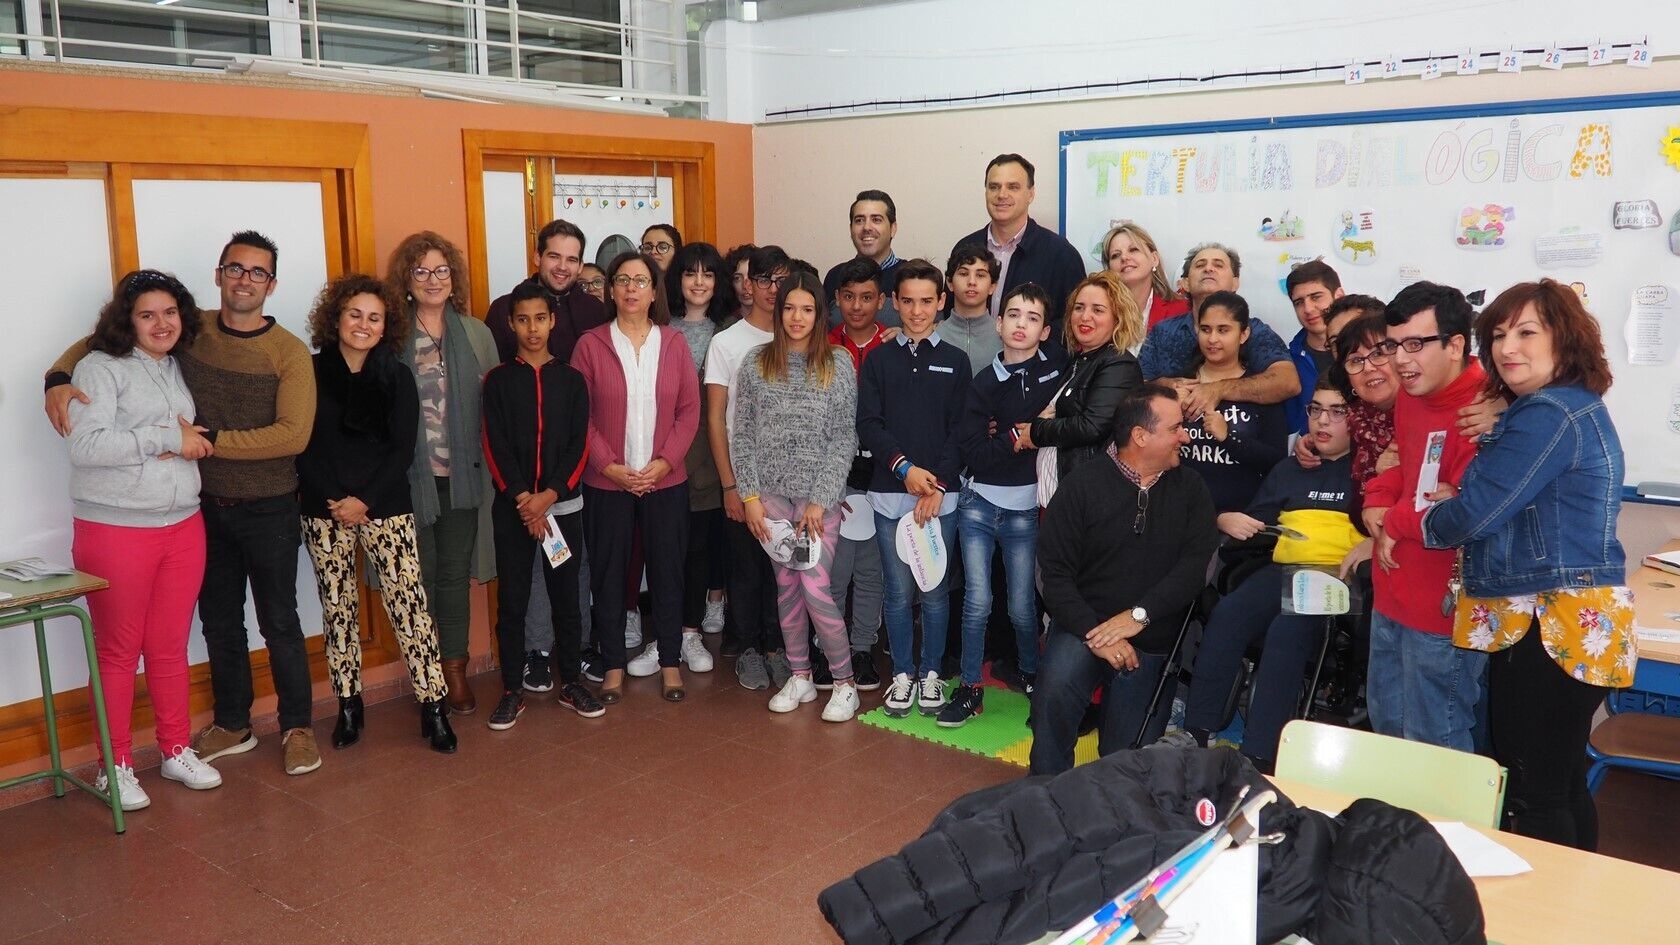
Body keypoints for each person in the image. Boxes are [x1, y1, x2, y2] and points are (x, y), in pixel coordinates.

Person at [47, 231, 322, 776]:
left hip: (266, 507)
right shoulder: (187, 335)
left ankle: (297, 727)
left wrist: (208, 440)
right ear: (219, 276)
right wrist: (56, 377)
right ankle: (232, 723)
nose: (245, 279)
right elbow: (97, 344)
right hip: (204, 511)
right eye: (235, 269)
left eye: (257, 272)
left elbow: (293, 435)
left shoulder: (287, 350)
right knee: (219, 622)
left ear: (272, 283)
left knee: (281, 621)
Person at [1421, 279, 1630, 850]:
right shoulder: (1566, 408)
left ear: (1564, 337)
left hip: (1549, 620)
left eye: (1526, 332)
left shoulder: (1548, 415)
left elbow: (1475, 514)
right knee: (1559, 784)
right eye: (1496, 335)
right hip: (1568, 614)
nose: (1506, 347)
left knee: (1534, 795)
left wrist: (1427, 521)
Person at [65, 270, 221, 809]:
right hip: (116, 530)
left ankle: (175, 749)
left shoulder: (175, 366)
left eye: (170, 313)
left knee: (169, 646)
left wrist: (175, 445)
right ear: (125, 320)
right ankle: (117, 765)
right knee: (116, 651)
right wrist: (166, 439)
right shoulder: (98, 368)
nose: (161, 323)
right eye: (147, 314)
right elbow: (86, 446)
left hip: (182, 525)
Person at [1157, 380, 1366, 769]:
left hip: (1335, 579)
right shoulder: (1291, 468)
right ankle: (1197, 731)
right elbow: (1259, 519)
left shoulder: (1367, 467)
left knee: (1287, 632)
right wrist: (1230, 519)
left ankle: (1257, 754)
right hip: (1283, 570)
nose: (1322, 421)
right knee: (1228, 613)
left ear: (1357, 419)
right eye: (1315, 410)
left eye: (1337, 412)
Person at [296, 273, 456, 753]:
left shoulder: (396, 375)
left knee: (411, 608)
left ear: (386, 327)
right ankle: (349, 706)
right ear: (336, 317)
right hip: (323, 509)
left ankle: (434, 706)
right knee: (338, 610)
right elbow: (300, 445)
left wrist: (362, 501)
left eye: (374, 318)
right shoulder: (308, 371)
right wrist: (335, 502)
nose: (363, 325)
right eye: (354, 314)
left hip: (384, 505)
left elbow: (402, 449)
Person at [1031, 385, 1217, 775]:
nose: (1186, 435)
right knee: (1052, 697)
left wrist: (1139, 616)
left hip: (1151, 635)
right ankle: (1042, 794)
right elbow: (1054, 573)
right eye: (1177, 428)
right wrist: (1096, 633)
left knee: (1124, 759)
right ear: (1140, 436)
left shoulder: (1191, 489)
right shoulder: (1082, 486)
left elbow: (1195, 570)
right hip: (1085, 628)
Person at [1360, 281, 1488, 752]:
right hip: (1392, 590)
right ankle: (1397, 829)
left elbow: (1460, 511)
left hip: (1443, 606)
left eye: (1416, 344)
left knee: (1435, 742)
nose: (1399, 360)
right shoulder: (1413, 396)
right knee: (1388, 728)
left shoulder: (1487, 408)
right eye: (1393, 345)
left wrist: (1394, 521)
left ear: (1455, 345)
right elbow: (1407, 471)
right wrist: (1377, 496)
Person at [730, 271, 862, 721]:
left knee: (817, 588)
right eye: (789, 308)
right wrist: (749, 496)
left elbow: (844, 437)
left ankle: (844, 683)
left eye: (807, 309)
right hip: (771, 502)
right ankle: (801, 675)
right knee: (786, 589)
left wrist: (820, 500)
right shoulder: (755, 362)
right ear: (777, 310)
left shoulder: (838, 362)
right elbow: (742, 434)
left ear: (820, 313)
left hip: (817, 505)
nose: (797, 317)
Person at [571, 251, 701, 703]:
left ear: (653, 292)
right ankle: (612, 665)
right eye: (622, 280)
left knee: (668, 572)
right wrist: (610, 467)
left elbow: (689, 412)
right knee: (609, 576)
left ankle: (669, 662)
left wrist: (664, 463)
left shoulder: (675, 343)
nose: (631, 288)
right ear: (610, 290)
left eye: (640, 280)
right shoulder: (590, 344)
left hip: (666, 482)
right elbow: (580, 418)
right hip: (608, 482)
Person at [481, 282, 603, 729]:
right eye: (523, 320)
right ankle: (512, 688)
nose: (532, 328)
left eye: (540, 318)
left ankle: (571, 681)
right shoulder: (498, 380)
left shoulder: (571, 381)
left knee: (566, 598)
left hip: (562, 509)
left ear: (552, 321)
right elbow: (494, 446)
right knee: (512, 600)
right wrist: (523, 500)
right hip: (513, 511)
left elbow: (578, 446)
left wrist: (549, 496)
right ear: (511, 324)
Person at [386, 231, 498, 717]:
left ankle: (454, 670)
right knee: (418, 578)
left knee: (453, 576)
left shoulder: (476, 333)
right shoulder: (390, 337)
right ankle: (425, 672)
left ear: (454, 278)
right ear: (406, 282)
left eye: (441, 270)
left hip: (464, 479)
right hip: (409, 479)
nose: (433, 280)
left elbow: (496, 404)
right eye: (421, 272)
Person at [946, 283, 1065, 726]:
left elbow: (1065, 426)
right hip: (977, 505)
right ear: (999, 323)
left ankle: (1031, 674)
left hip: (1024, 509)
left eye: (1032, 318)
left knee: (1021, 604)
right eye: (1013, 315)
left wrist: (1020, 435)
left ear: (1045, 330)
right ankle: (971, 687)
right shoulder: (983, 383)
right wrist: (1022, 436)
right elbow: (974, 452)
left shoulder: (1057, 372)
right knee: (977, 601)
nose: (1021, 324)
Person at [857, 258, 970, 718]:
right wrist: (904, 469)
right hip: (890, 495)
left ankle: (930, 675)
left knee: (936, 592)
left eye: (927, 301)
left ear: (941, 302)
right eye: (908, 301)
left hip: (941, 500)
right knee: (898, 592)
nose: (918, 311)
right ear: (894, 303)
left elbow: (962, 431)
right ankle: (902, 672)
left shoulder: (956, 361)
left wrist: (937, 485)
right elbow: (868, 424)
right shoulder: (880, 359)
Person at [706, 245, 793, 690]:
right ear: (748, 285)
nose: (774, 291)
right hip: (745, 479)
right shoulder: (727, 342)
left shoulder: (798, 334)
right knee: (745, 569)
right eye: (765, 281)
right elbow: (716, 418)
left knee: (784, 568)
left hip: (789, 479)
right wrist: (729, 484)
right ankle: (751, 650)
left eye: (782, 280)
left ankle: (780, 647)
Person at [1137, 243, 1300, 422]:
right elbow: (1134, 387)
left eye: (1218, 265)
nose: (1208, 268)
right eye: (1200, 265)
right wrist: (1164, 387)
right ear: (1184, 283)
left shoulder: (1254, 331)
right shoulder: (1163, 332)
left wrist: (1217, 389)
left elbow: (1288, 382)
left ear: (1235, 282)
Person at [825, 257, 891, 691]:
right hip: (836, 476)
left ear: (882, 301)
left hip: (884, 474)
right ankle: (827, 646)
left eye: (867, 297)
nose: (857, 306)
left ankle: (863, 647)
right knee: (833, 570)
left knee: (872, 571)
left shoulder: (896, 344)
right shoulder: (823, 347)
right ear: (836, 301)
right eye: (848, 297)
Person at [1016, 271, 1143, 487]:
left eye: (1098, 310)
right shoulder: (1077, 360)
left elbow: (1091, 426)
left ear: (1118, 317)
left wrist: (1036, 432)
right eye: (1079, 307)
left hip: (1091, 498)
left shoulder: (1119, 364)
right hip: (1060, 497)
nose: (1085, 317)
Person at [1176, 291, 1289, 531]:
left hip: (1241, 523)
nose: (1212, 339)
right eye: (1205, 329)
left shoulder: (1259, 390)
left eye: (1223, 330)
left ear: (1244, 334)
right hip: (1180, 519)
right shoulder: (1181, 387)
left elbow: (1276, 462)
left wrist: (1229, 438)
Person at [666, 241, 732, 642]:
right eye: (690, 273)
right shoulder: (661, 328)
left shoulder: (726, 332)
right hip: (669, 453)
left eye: (708, 274)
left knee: (709, 539)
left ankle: (712, 601)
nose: (699, 282)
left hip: (713, 453)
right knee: (677, 544)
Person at [948, 153, 1086, 329]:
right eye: (994, 187)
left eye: (1013, 187)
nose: (1001, 195)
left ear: (1031, 193)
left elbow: (1072, 324)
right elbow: (949, 312)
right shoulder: (965, 248)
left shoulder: (1061, 255)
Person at [486, 218, 609, 364]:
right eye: (554, 257)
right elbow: (493, 374)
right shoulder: (503, 309)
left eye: (571, 260)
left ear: (580, 266)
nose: (562, 267)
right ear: (538, 257)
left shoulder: (597, 311)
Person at [1283, 261, 1347, 433]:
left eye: (1316, 297)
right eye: (1299, 302)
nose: (1308, 309)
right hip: (1306, 457)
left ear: (1339, 296)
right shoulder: (1287, 362)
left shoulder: (1366, 353)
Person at [824, 189, 903, 328]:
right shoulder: (835, 276)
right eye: (859, 220)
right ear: (851, 228)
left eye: (876, 220)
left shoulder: (911, 277)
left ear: (893, 228)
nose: (867, 227)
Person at [1100, 222, 1189, 332]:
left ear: (1154, 259)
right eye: (1115, 255)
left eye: (1133, 250)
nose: (1124, 257)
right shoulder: (1099, 313)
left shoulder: (1182, 310)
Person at [941, 242, 1003, 375]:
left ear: (993, 286)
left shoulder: (1004, 337)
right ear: (950, 283)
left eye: (980, 275)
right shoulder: (934, 335)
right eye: (963, 274)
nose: (972, 282)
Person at [726, 243, 758, 323]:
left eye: (750, 276)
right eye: (737, 278)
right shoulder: (725, 326)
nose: (745, 285)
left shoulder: (779, 320)